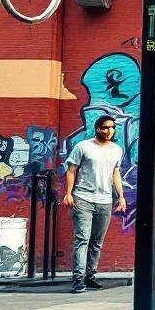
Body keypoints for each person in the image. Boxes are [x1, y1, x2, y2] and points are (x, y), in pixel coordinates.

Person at [62, 116, 126, 293]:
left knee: (97, 242)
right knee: (82, 239)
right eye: (105, 128)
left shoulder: (116, 150)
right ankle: (78, 279)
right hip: (83, 199)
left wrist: (121, 196)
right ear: (97, 128)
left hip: (105, 201)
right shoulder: (83, 146)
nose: (109, 131)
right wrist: (68, 194)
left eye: (112, 127)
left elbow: (115, 173)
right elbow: (71, 170)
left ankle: (90, 275)